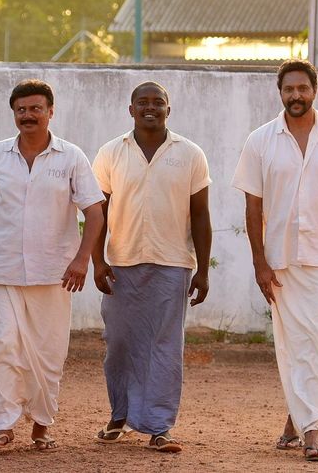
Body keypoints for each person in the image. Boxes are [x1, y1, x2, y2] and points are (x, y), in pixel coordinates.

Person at [232, 59, 318, 463]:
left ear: (315, 90)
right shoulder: (260, 140)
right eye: (289, 89)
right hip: (280, 258)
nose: (296, 95)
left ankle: (308, 425)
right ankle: (306, 424)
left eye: (302, 88)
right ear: (280, 93)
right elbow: (253, 206)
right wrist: (259, 261)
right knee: (293, 342)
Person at [0, 79, 104, 452]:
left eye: (35, 109)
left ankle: (42, 424)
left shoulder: (71, 157)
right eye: (21, 110)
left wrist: (82, 260)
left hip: (55, 273)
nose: (28, 115)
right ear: (14, 114)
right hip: (4, 271)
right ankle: (3, 424)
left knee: (48, 353)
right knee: (0, 346)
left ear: (50, 112)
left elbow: (94, 212)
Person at [90, 81, 212, 453]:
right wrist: (97, 261)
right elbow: (98, 212)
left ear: (168, 110)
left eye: (158, 102)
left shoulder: (190, 153)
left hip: (173, 264)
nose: (150, 108)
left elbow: (200, 214)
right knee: (119, 344)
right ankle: (120, 416)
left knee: (165, 347)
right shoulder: (111, 153)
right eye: (142, 102)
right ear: (131, 109)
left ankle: (160, 427)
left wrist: (203, 271)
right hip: (121, 263)